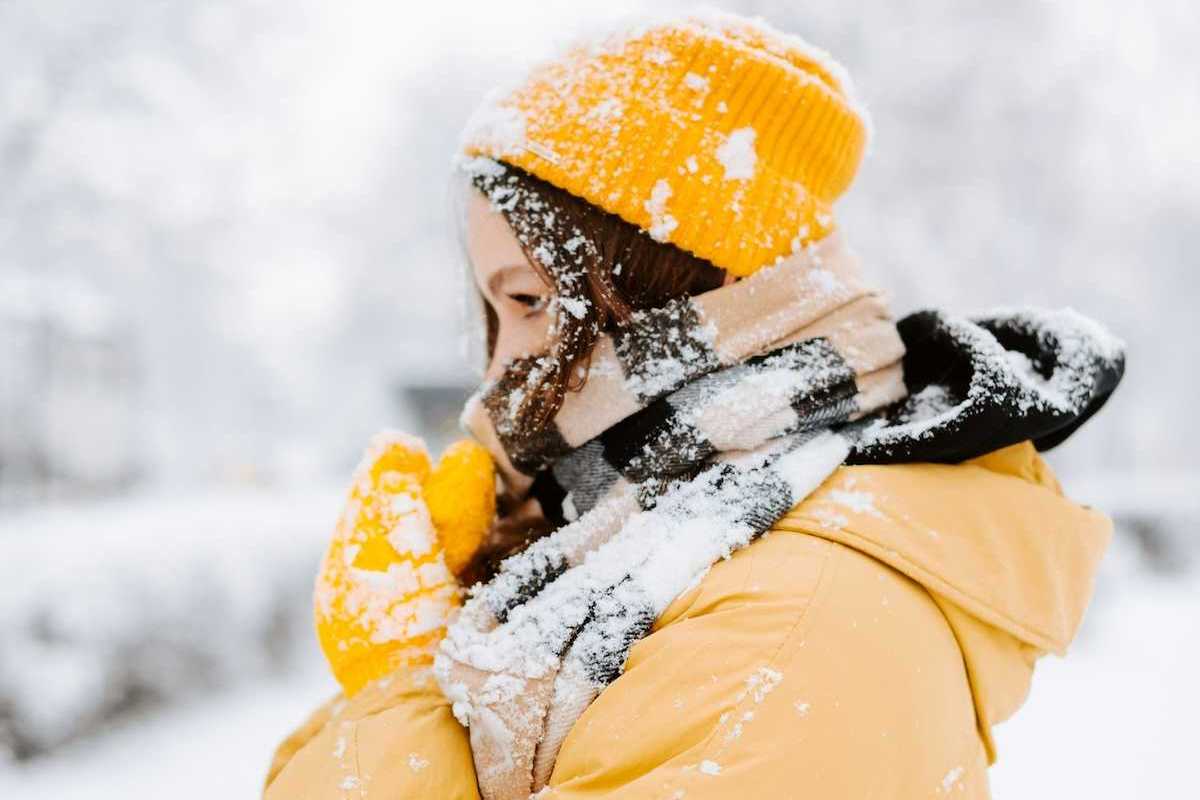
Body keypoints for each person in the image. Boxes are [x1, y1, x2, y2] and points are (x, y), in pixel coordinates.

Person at [262, 10, 1125, 799]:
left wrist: (399, 686)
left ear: (683, 292)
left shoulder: (791, 631)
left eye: (526, 303)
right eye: (491, 316)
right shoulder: (658, 547)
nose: (500, 370)